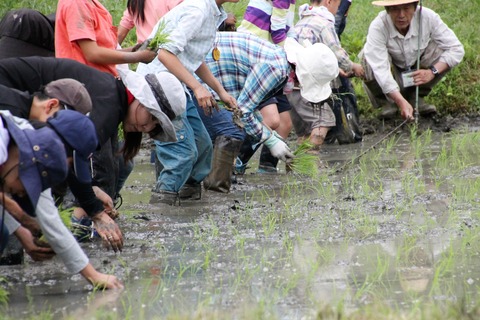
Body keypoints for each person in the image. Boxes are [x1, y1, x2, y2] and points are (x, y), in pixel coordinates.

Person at [0, 56, 186, 250]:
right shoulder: (108, 106)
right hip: (8, 93)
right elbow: (67, 158)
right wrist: (95, 211)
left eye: (155, 127)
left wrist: (93, 191)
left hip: (19, 100)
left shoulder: (112, 98)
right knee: (23, 180)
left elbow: (75, 159)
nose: (147, 128)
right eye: (152, 118)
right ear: (141, 101)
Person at [0, 111, 123, 289]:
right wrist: (20, 216)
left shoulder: (34, 152)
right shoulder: (8, 143)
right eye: (25, 182)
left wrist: (93, 276)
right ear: (23, 161)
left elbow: (51, 220)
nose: (20, 193)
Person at [136, 0, 239, 205]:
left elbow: (193, 56)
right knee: (183, 152)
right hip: (160, 86)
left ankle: (186, 199)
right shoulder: (198, 10)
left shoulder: (214, 12)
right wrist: (197, 87)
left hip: (178, 86)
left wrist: (220, 91)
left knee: (203, 146)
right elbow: (165, 54)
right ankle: (162, 206)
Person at [361, 0, 464, 120]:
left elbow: (456, 49)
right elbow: (380, 69)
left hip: (418, 68)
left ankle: (415, 97)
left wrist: (432, 72)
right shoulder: (378, 26)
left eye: (406, 8)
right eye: (395, 9)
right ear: (387, 10)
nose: (401, 15)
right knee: (366, 56)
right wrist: (400, 101)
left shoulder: (428, 17)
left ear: (415, 8)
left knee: (441, 48)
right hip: (392, 71)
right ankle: (388, 102)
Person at [292, 0, 364, 147]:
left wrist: (335, 69)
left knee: (305, 130)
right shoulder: (324, 22)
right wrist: (352, 66)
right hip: (309, 82)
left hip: (293, 81)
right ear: (329, 1)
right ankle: (310, 157)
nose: (337, 11)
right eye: (338, 6)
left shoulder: (302, 20)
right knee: (324, 120)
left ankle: (302, 161)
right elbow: (336, 52)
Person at [237, 0, 296, 174]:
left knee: (284, 123)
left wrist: (298, 46)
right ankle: (235, 162)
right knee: (271, 120)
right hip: (256, 60)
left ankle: (267, 168)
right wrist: (294, 57)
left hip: (271, 57)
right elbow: (278, 33)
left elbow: (287, 27)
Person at [117, 0, 184, 45]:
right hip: (168, 55)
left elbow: (120, 33)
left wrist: (109, 58)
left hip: (143, 56)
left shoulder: (136, 1)